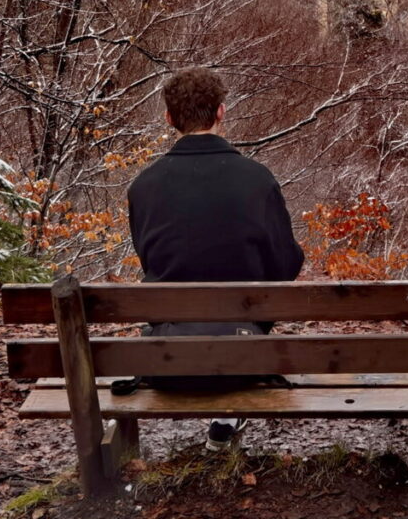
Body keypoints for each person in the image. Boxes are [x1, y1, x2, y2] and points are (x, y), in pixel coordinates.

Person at [127, 67, 304, 450]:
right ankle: (225, 416)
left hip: (168, 361)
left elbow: (149, 260)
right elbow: (285, 263)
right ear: (222, 112)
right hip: (244, 357)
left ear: (169, 118)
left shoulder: (144, 186)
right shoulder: (256, 179)